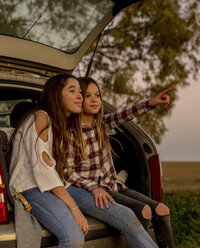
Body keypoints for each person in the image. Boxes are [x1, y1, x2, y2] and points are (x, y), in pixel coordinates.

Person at [9, 74, 158, 248]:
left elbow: (64, 171)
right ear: (56, 95)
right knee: (73, 238)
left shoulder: (63, 125)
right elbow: (44, 171)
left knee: (126, 215)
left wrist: (93, 187)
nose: (80, 96)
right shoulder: (41, 117)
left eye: (80, 92)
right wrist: (74, 208)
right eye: (72, 91)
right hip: (32, 188)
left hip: (61, 185)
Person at [66, 77, 175, 248]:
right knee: (143, 211)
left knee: (162, 210)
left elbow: (125, 113)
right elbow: (67, 172)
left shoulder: (102, 125)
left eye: (98, 95)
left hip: (113, 185)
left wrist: (151, 103)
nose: (95, 100)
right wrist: (92, 186)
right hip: (92, 189)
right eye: (88, 96)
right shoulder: (70, 133)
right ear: (79, 99)